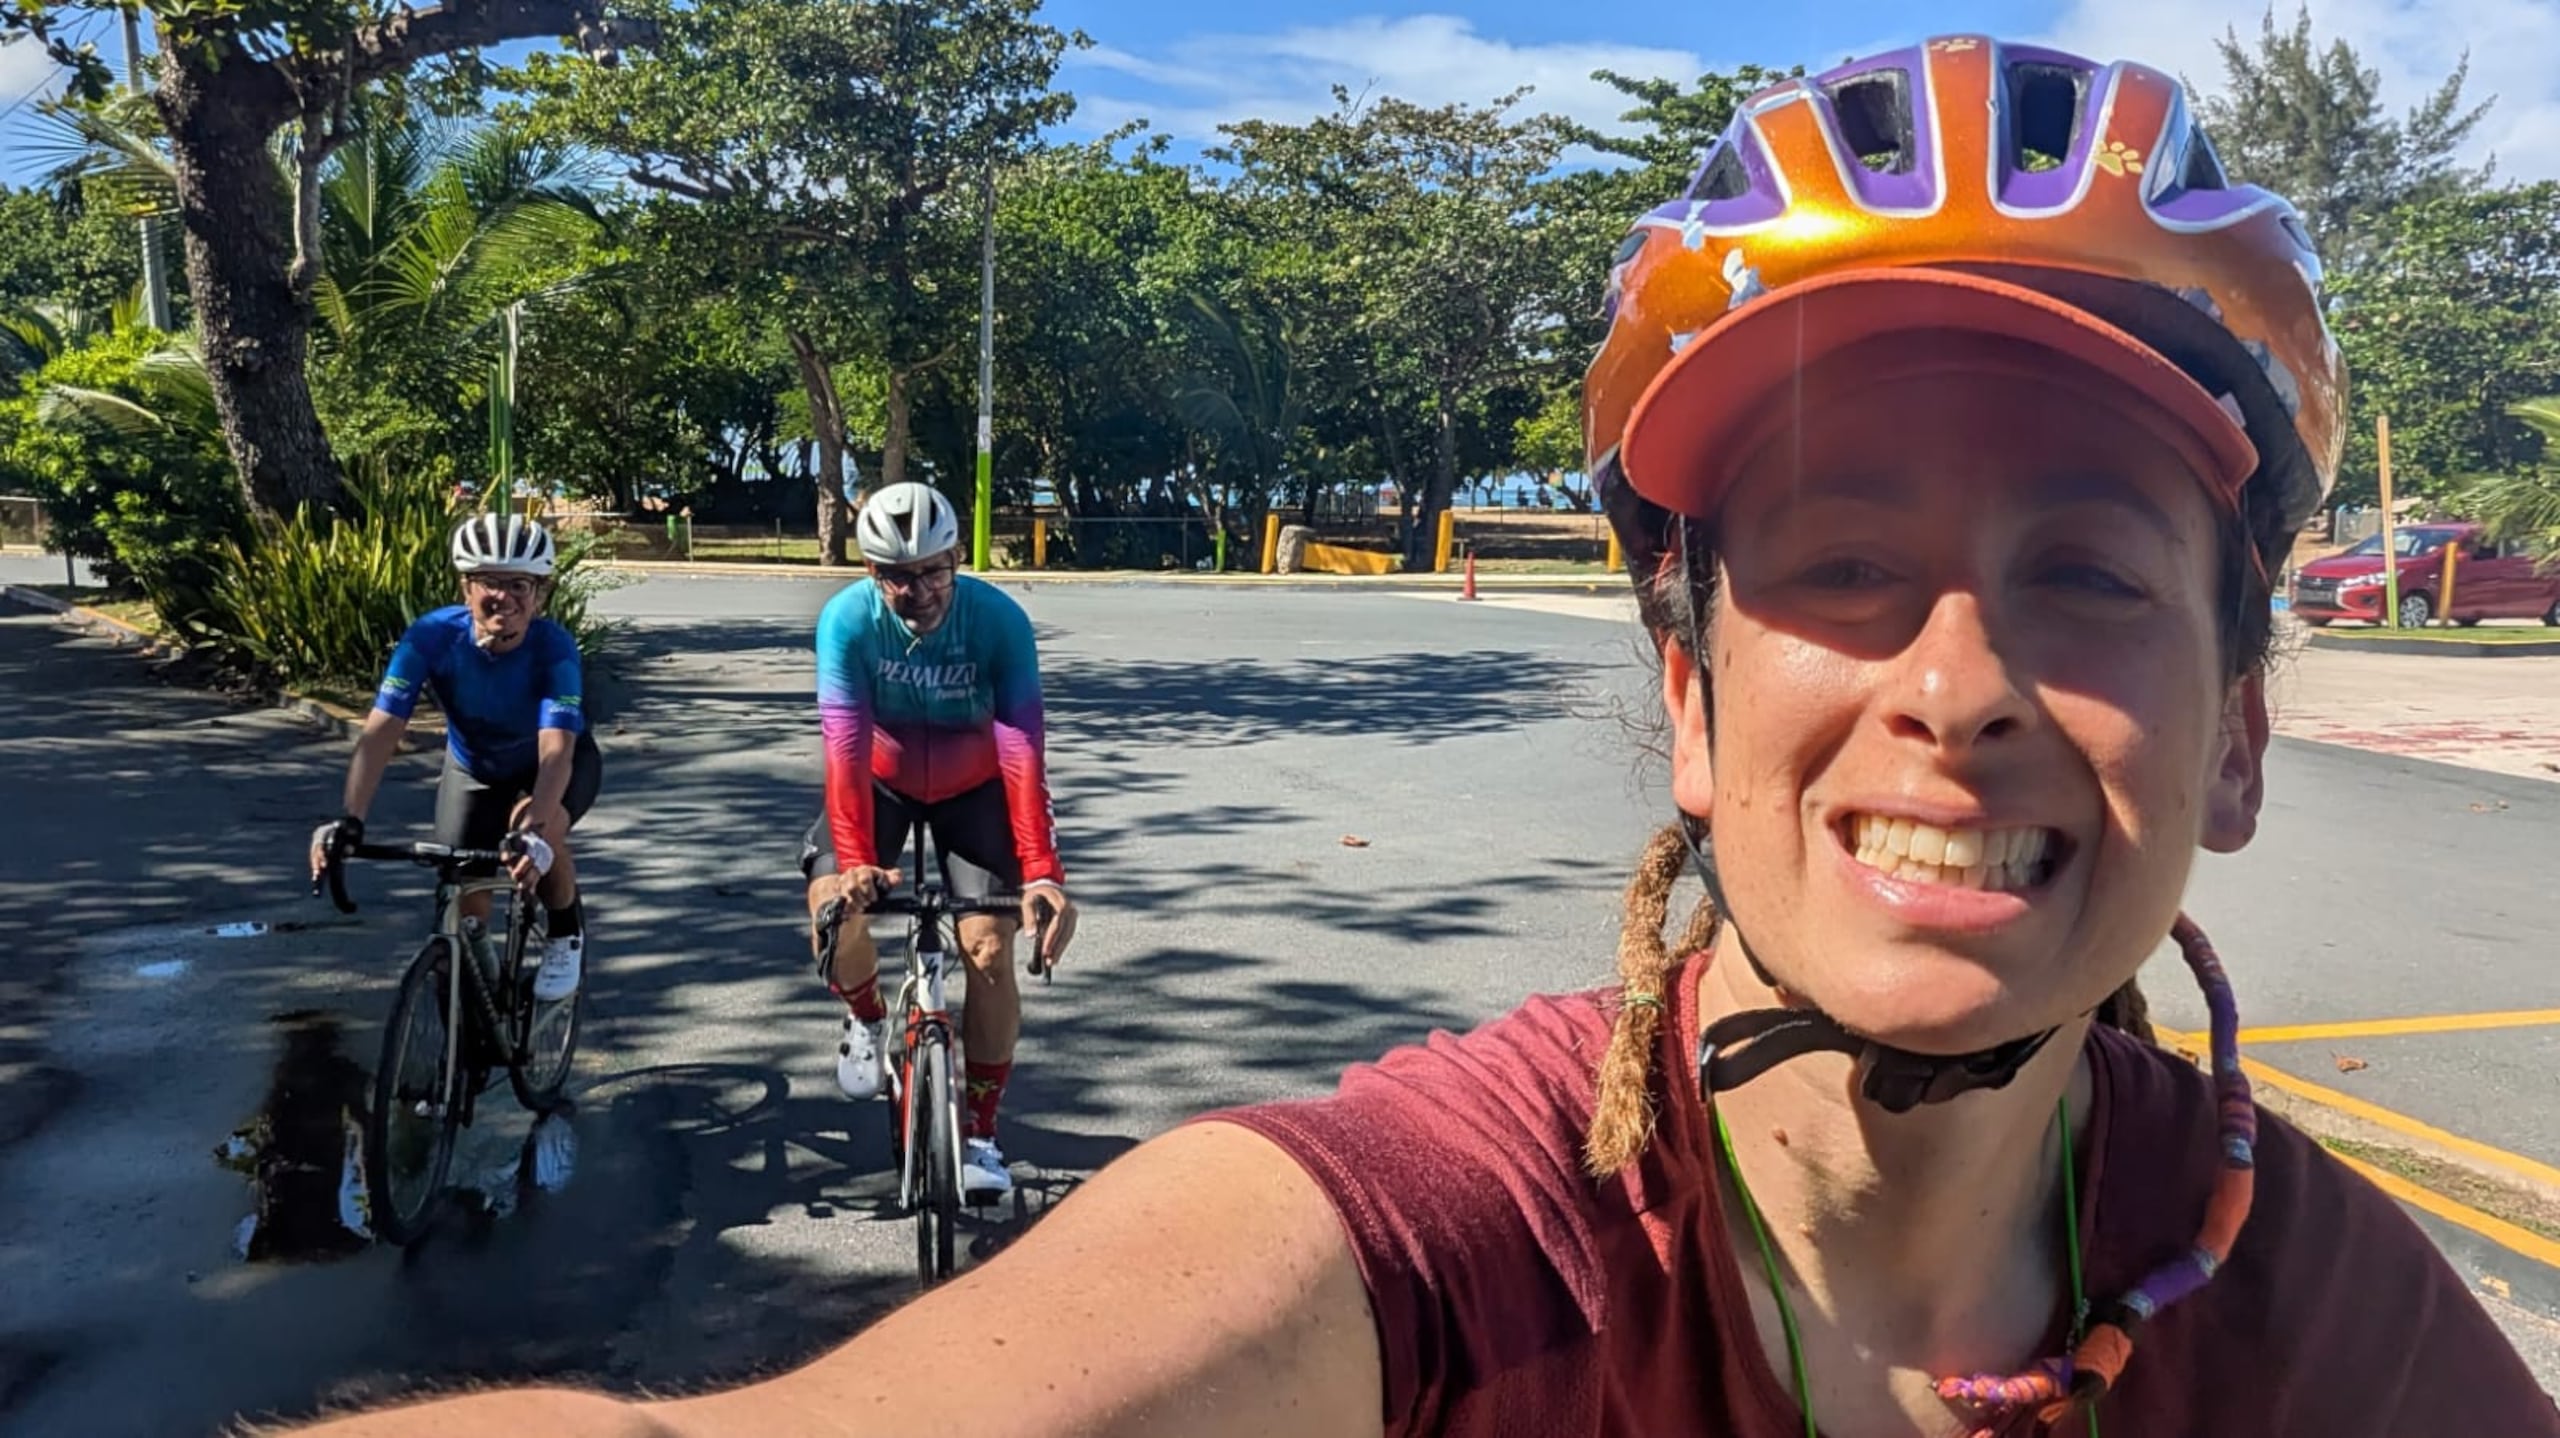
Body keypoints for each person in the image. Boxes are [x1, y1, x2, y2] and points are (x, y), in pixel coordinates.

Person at [280, 37, 2558, 1438]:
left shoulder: (2303, 1300)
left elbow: (1018, 773)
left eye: (2081, 575)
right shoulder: (1450, 1240)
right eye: (1839, 557)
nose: (1950, 686)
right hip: (889, 795)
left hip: (980, 793)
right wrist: (831, 872)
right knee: (850, 912)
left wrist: (1024, 884)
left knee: (966, 962)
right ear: (1683, 686)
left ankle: (961, 1099)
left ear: (2236, 728)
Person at [800, 480, 1076, 1201]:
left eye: (932, 570)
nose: (916, 589)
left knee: (988, 946)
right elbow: (844, 744)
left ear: (956, 557)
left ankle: (981, 1132)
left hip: (974, 785)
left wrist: (1044, 872)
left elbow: (1023, 747)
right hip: (881, 781)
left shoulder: (998, 621)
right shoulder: (846, 623)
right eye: (895, 574)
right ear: (870, 572)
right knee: (833, 904)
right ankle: (865, 1019)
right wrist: (856, 860)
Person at [309, 514, 599, 1003]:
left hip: (549, 766)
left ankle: (565, 933)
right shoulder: (431, 636)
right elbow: (382, 731)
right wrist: (350, 819)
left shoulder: (553, 649)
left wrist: (533, 832)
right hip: (473, 768)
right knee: (464, 912)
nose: (503, 596)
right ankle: (473, 1027)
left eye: (519, 585)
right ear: (465, 588)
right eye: (489, 581)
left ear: (540, 595)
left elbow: (556, 753)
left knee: (539, 827)